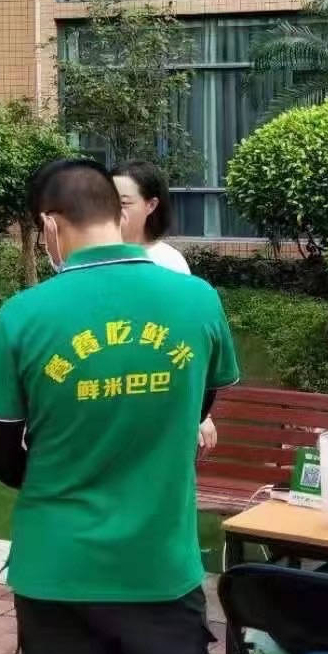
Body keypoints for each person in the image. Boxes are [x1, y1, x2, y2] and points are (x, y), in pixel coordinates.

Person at [0, 159, 247, 654]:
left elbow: (1, 455)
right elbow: (199, 399)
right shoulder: (196, 300)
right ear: (119, 214)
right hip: (159, 565)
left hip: (58, 572)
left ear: (49, 226)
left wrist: (65, 466)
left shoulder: (22, 315)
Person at [112, 159, 216, 451]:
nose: (113, 211)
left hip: (154, 402)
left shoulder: (168, 263)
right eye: (107, 201)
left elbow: (185, 344)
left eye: (123, 203)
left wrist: (201, 413)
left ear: (151, 205)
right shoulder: (97, 259)